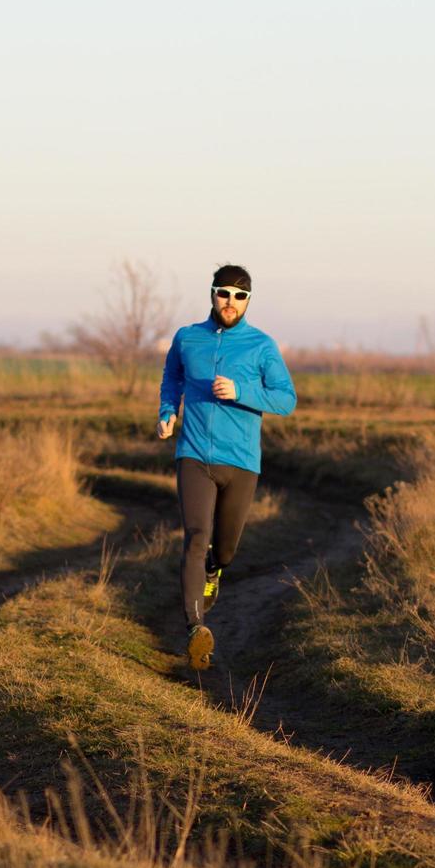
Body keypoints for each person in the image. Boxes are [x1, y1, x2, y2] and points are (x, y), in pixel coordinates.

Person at [157, 265, 297, 670]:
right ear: (212, 294)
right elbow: (172, 377)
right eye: (223, 293)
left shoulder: (261, 345)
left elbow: (285, 400)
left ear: (249, 300)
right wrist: (169, 411)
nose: (230, 302)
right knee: (196, 536)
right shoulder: (188, 338)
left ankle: (215, 572)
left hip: (241, 462)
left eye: (239, 296)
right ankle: (195, 629)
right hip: (194, 455)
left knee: (227, 548)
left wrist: (242, 391)